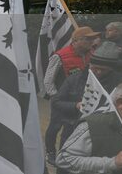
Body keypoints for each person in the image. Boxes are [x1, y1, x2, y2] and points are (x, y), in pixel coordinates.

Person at [51, 41, 122, 174]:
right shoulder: (75, 79)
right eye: (95, 68)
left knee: (94, 163)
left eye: (103, 70)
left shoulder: (121, 83)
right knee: (66, 162)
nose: (98, 72)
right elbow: (57, 101)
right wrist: (75, 105)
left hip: (105, 131)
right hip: (73, 126)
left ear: (111, 68)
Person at [43, 26, 100, 165]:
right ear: (76, 41)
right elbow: (48, 81)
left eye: (92, 39)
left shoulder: (91, 54)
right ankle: (50, 152)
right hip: (62, 100)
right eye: (88, 39)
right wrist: (56, 98)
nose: (91, 42)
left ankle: (67, 153)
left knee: (73, 128)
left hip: (81, 101)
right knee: (55, 127)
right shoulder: (60, 56)